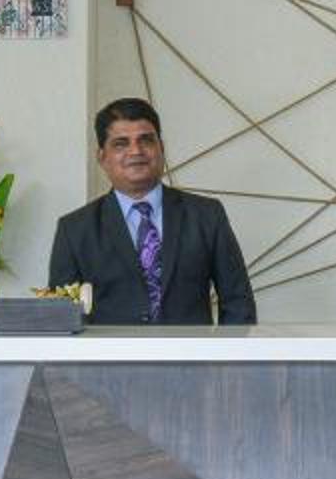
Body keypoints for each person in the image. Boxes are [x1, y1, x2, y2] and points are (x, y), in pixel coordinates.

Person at [44, 98, 256, 326]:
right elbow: (61, 319)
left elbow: (238, 302)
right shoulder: (75, 230)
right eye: (121, 144)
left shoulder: (206, 215)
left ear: (161, 149)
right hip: (111, 351)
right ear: (102, 157)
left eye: (146, 140)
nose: (136, 151)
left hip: (192, 349)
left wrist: (227, 349)